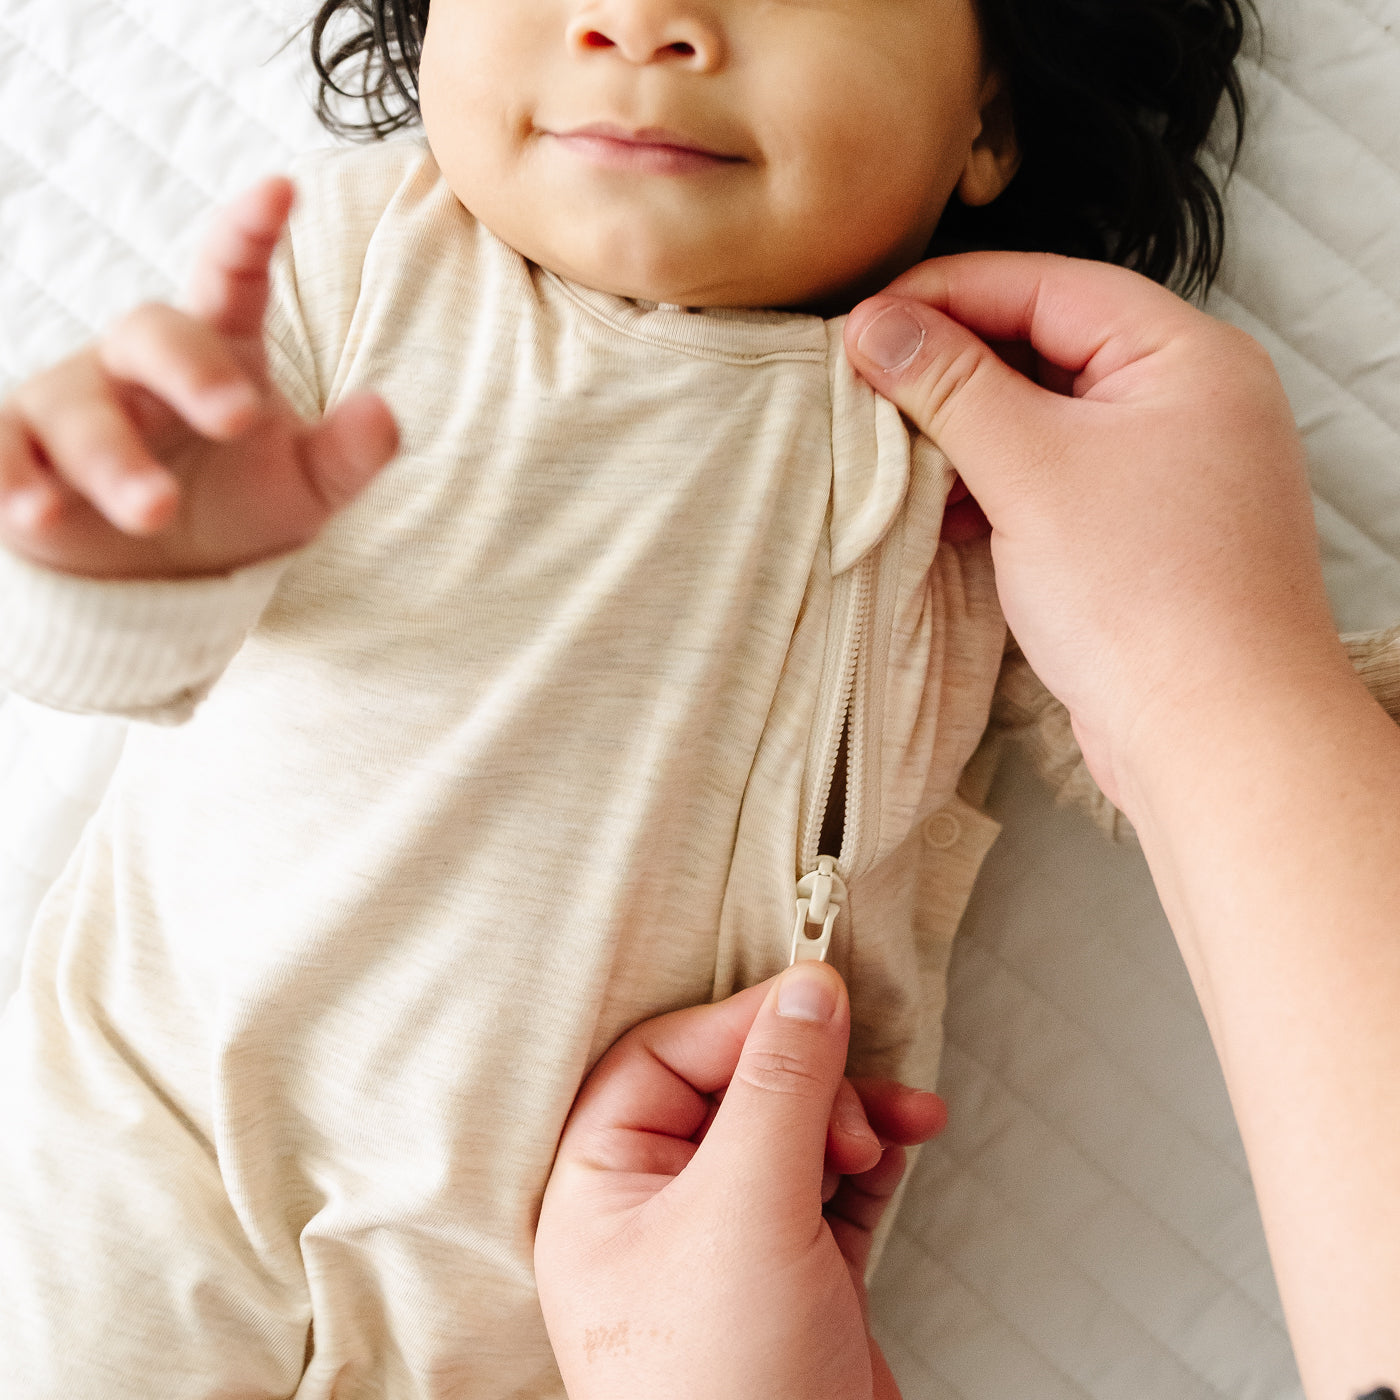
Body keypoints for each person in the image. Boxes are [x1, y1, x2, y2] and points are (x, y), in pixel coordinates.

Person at [0, 0, 1391, 1394]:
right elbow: (106, 665)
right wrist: (124, 543)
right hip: (150, 1166)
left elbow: (1169, 748)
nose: (639, 22)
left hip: (613, 1298)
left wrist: (1318, 679)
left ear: (992, 118)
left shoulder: (1003, 446)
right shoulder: (366, 263)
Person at [535, 254, 1400, 1400]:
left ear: (988, 127)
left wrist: (1236, 668)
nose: (641, 57)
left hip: (596, 1314)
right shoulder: (376, 266)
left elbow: (1128, 761)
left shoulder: (961, 486)